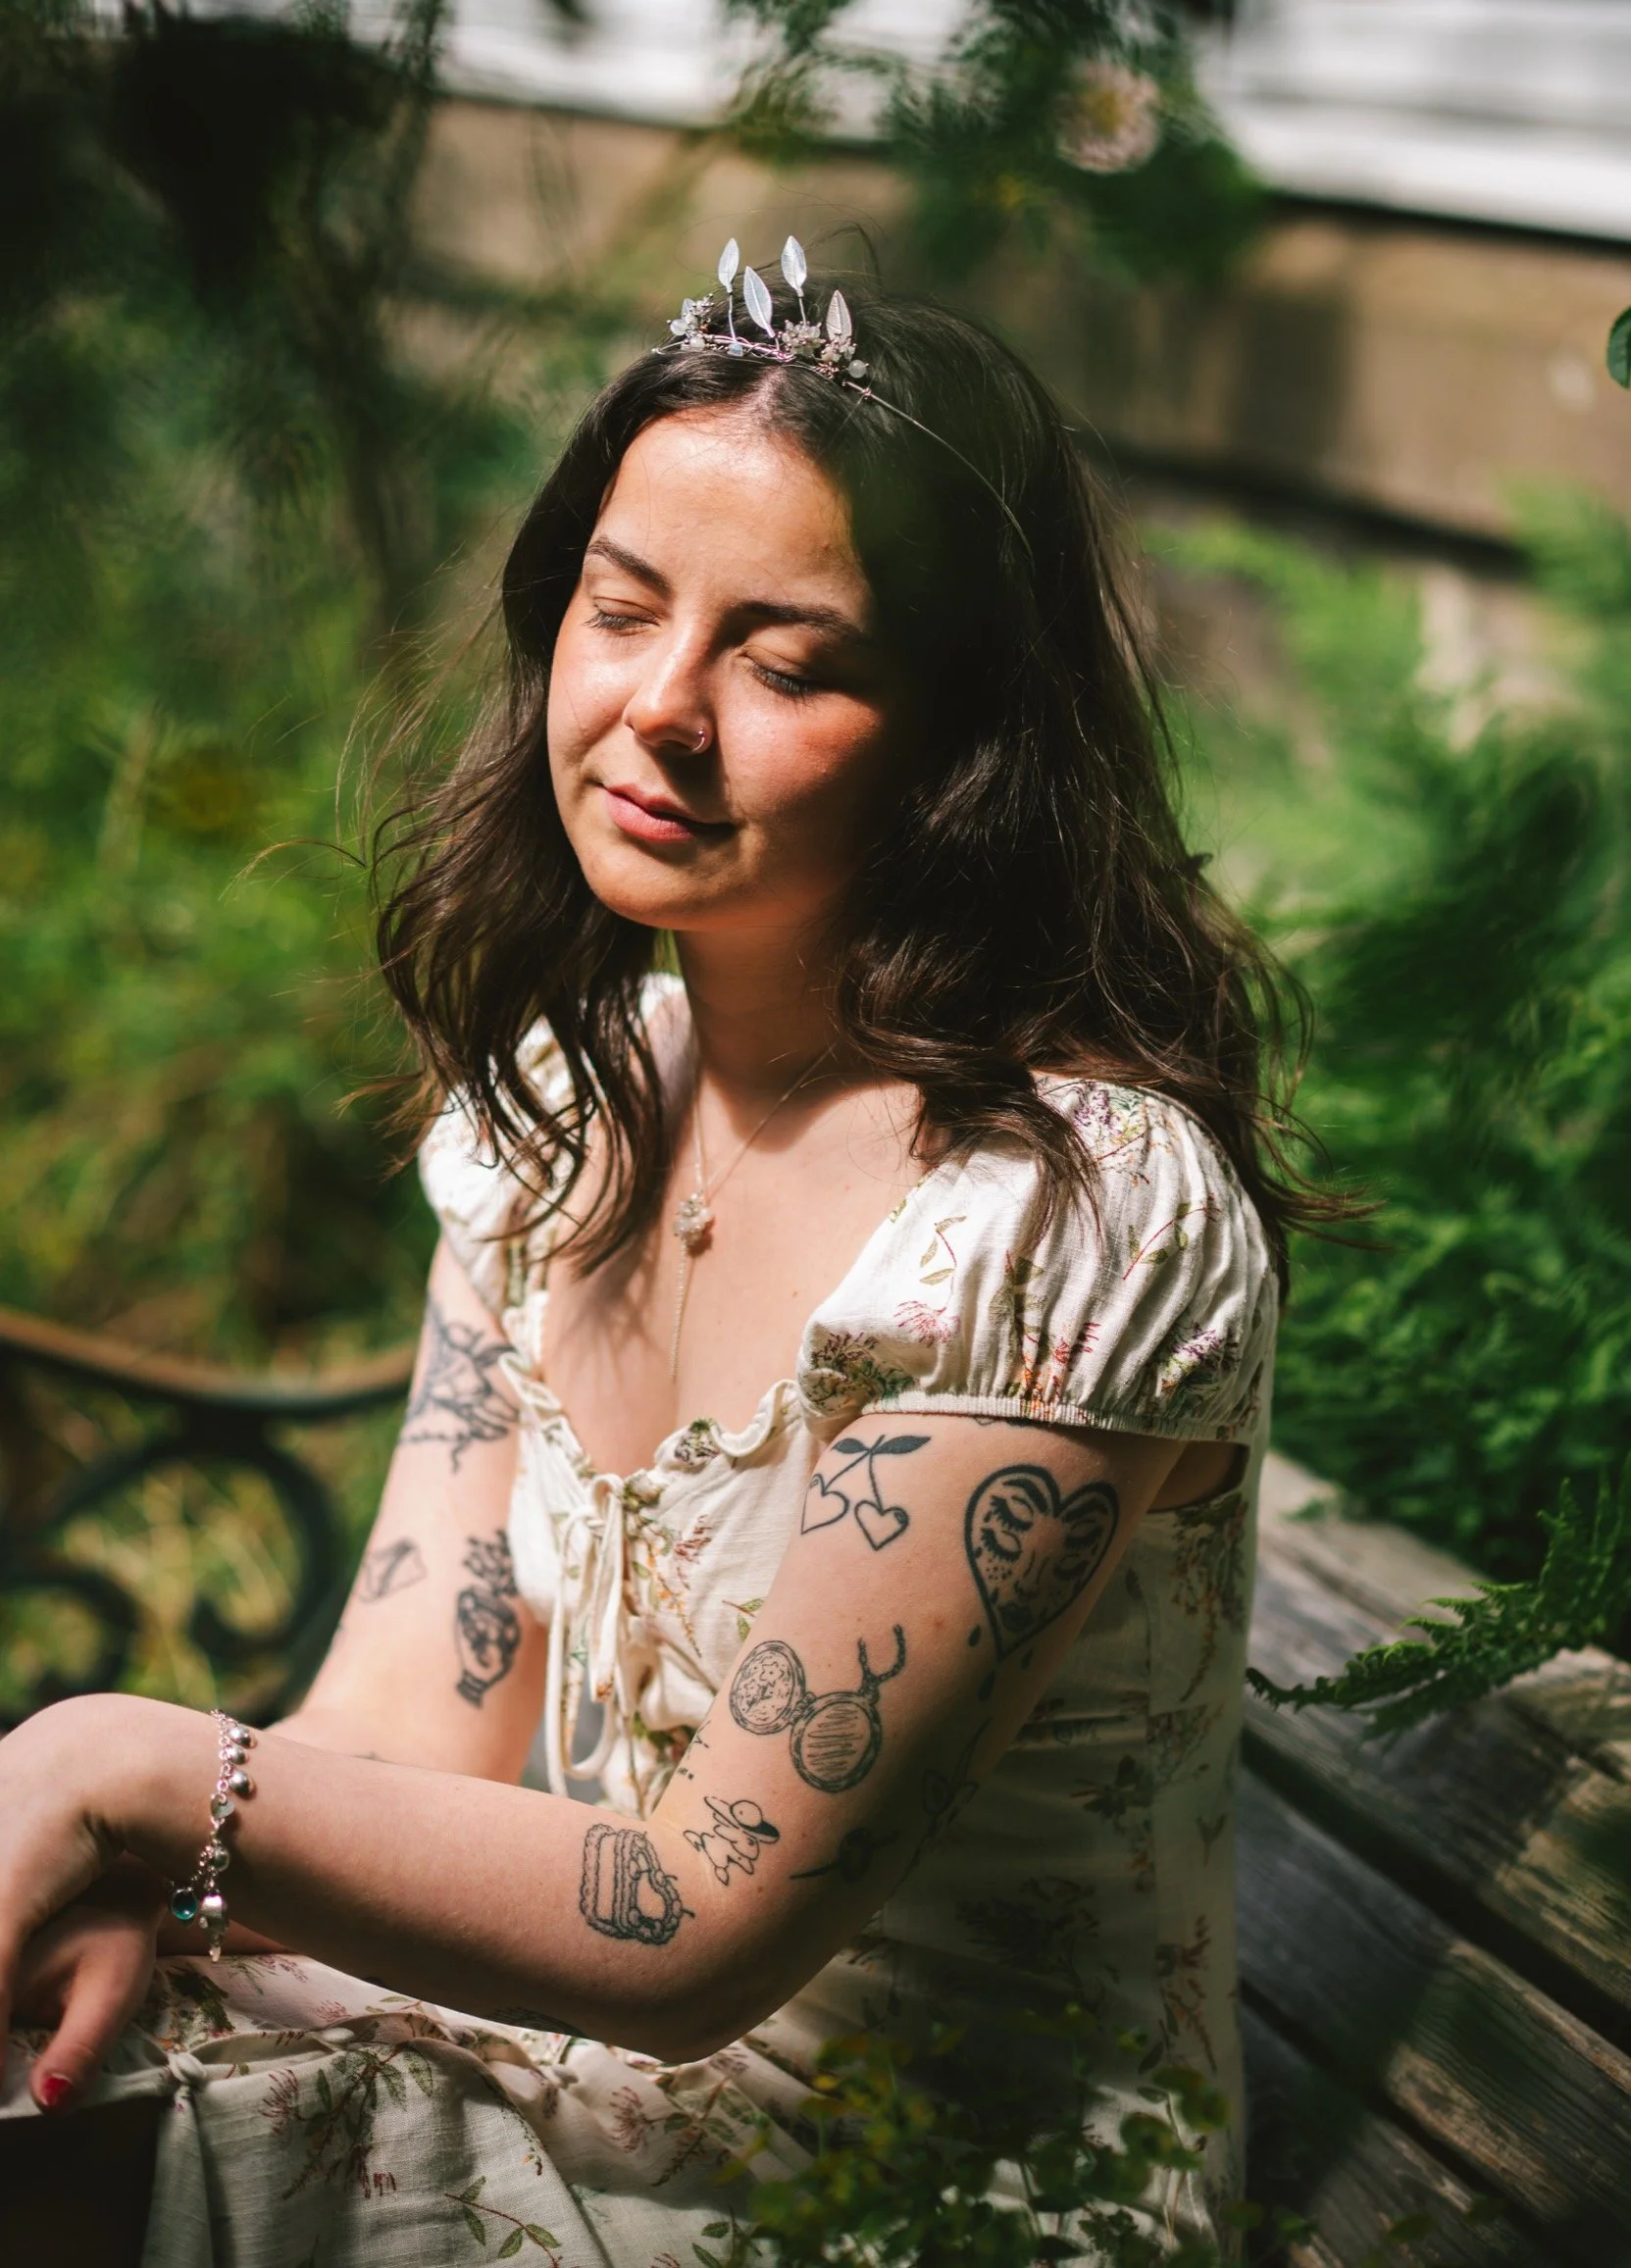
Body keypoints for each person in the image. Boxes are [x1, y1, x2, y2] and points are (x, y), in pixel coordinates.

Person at [0, 252, 1322, 2265]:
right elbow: (399, 1732)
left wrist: (117, 1767)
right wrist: (151, 1889)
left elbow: (697, 1921)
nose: (659, 710)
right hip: (584, 2068)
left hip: (942, 2185)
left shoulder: (1070, 1220)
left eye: (790, 662)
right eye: (623, 608)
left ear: (963, 739)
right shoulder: (580, 1097)